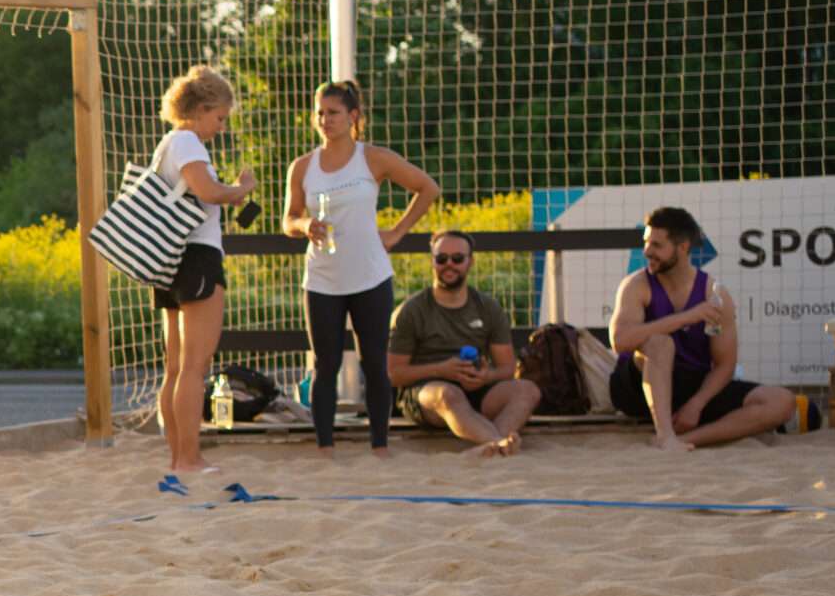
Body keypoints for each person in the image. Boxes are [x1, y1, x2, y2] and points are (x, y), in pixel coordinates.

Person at [283, 78, 440, 456]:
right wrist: (304, 225)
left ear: (353, 116)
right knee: (325, 365)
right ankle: (325, 448)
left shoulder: (373, 158)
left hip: (370, 276)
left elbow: (428, 188)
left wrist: (397, 232)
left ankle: (380, 446)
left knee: (374, 362)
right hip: (321, 279)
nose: (325, 120)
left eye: (334, 113)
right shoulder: (302, 166)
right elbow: (288, 219)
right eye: (319, 113)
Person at [149, 64, 262, 477]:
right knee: (194, 367)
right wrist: (241, 190)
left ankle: (179, 457)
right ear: (202, 108)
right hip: (196, 258)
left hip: (171, 260)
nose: (221, 126)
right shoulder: (188, 142)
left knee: (177, 367)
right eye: (220, 117)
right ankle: (189, 458)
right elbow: (208, 192)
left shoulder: (169, 144)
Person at [607, 205, 793, 451]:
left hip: (692, 386)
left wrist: (696, 404)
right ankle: (665, 434)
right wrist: (687, 317)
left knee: (782, 401)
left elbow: (725, 365)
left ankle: (686, 440)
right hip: (638, 387)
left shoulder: (715, 295)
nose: (647, 252)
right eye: (646, 243)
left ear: (682, 248)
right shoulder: (636, 285)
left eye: (656, 245)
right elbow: (620, 341)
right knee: (660, 343)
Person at [388, 231, 542, 458]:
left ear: (471, 261)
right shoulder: (411, 310)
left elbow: (507, 368)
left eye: (457, 258)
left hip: (475, 389)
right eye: (441, 259)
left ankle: (491, 445)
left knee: (528, 390)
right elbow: (393, 374)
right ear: (432, 261)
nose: (449, 265)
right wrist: (442, 369)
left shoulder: (488, 307)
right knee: (448, 394)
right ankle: (500, 442)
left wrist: (485, 377)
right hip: (427, 392)